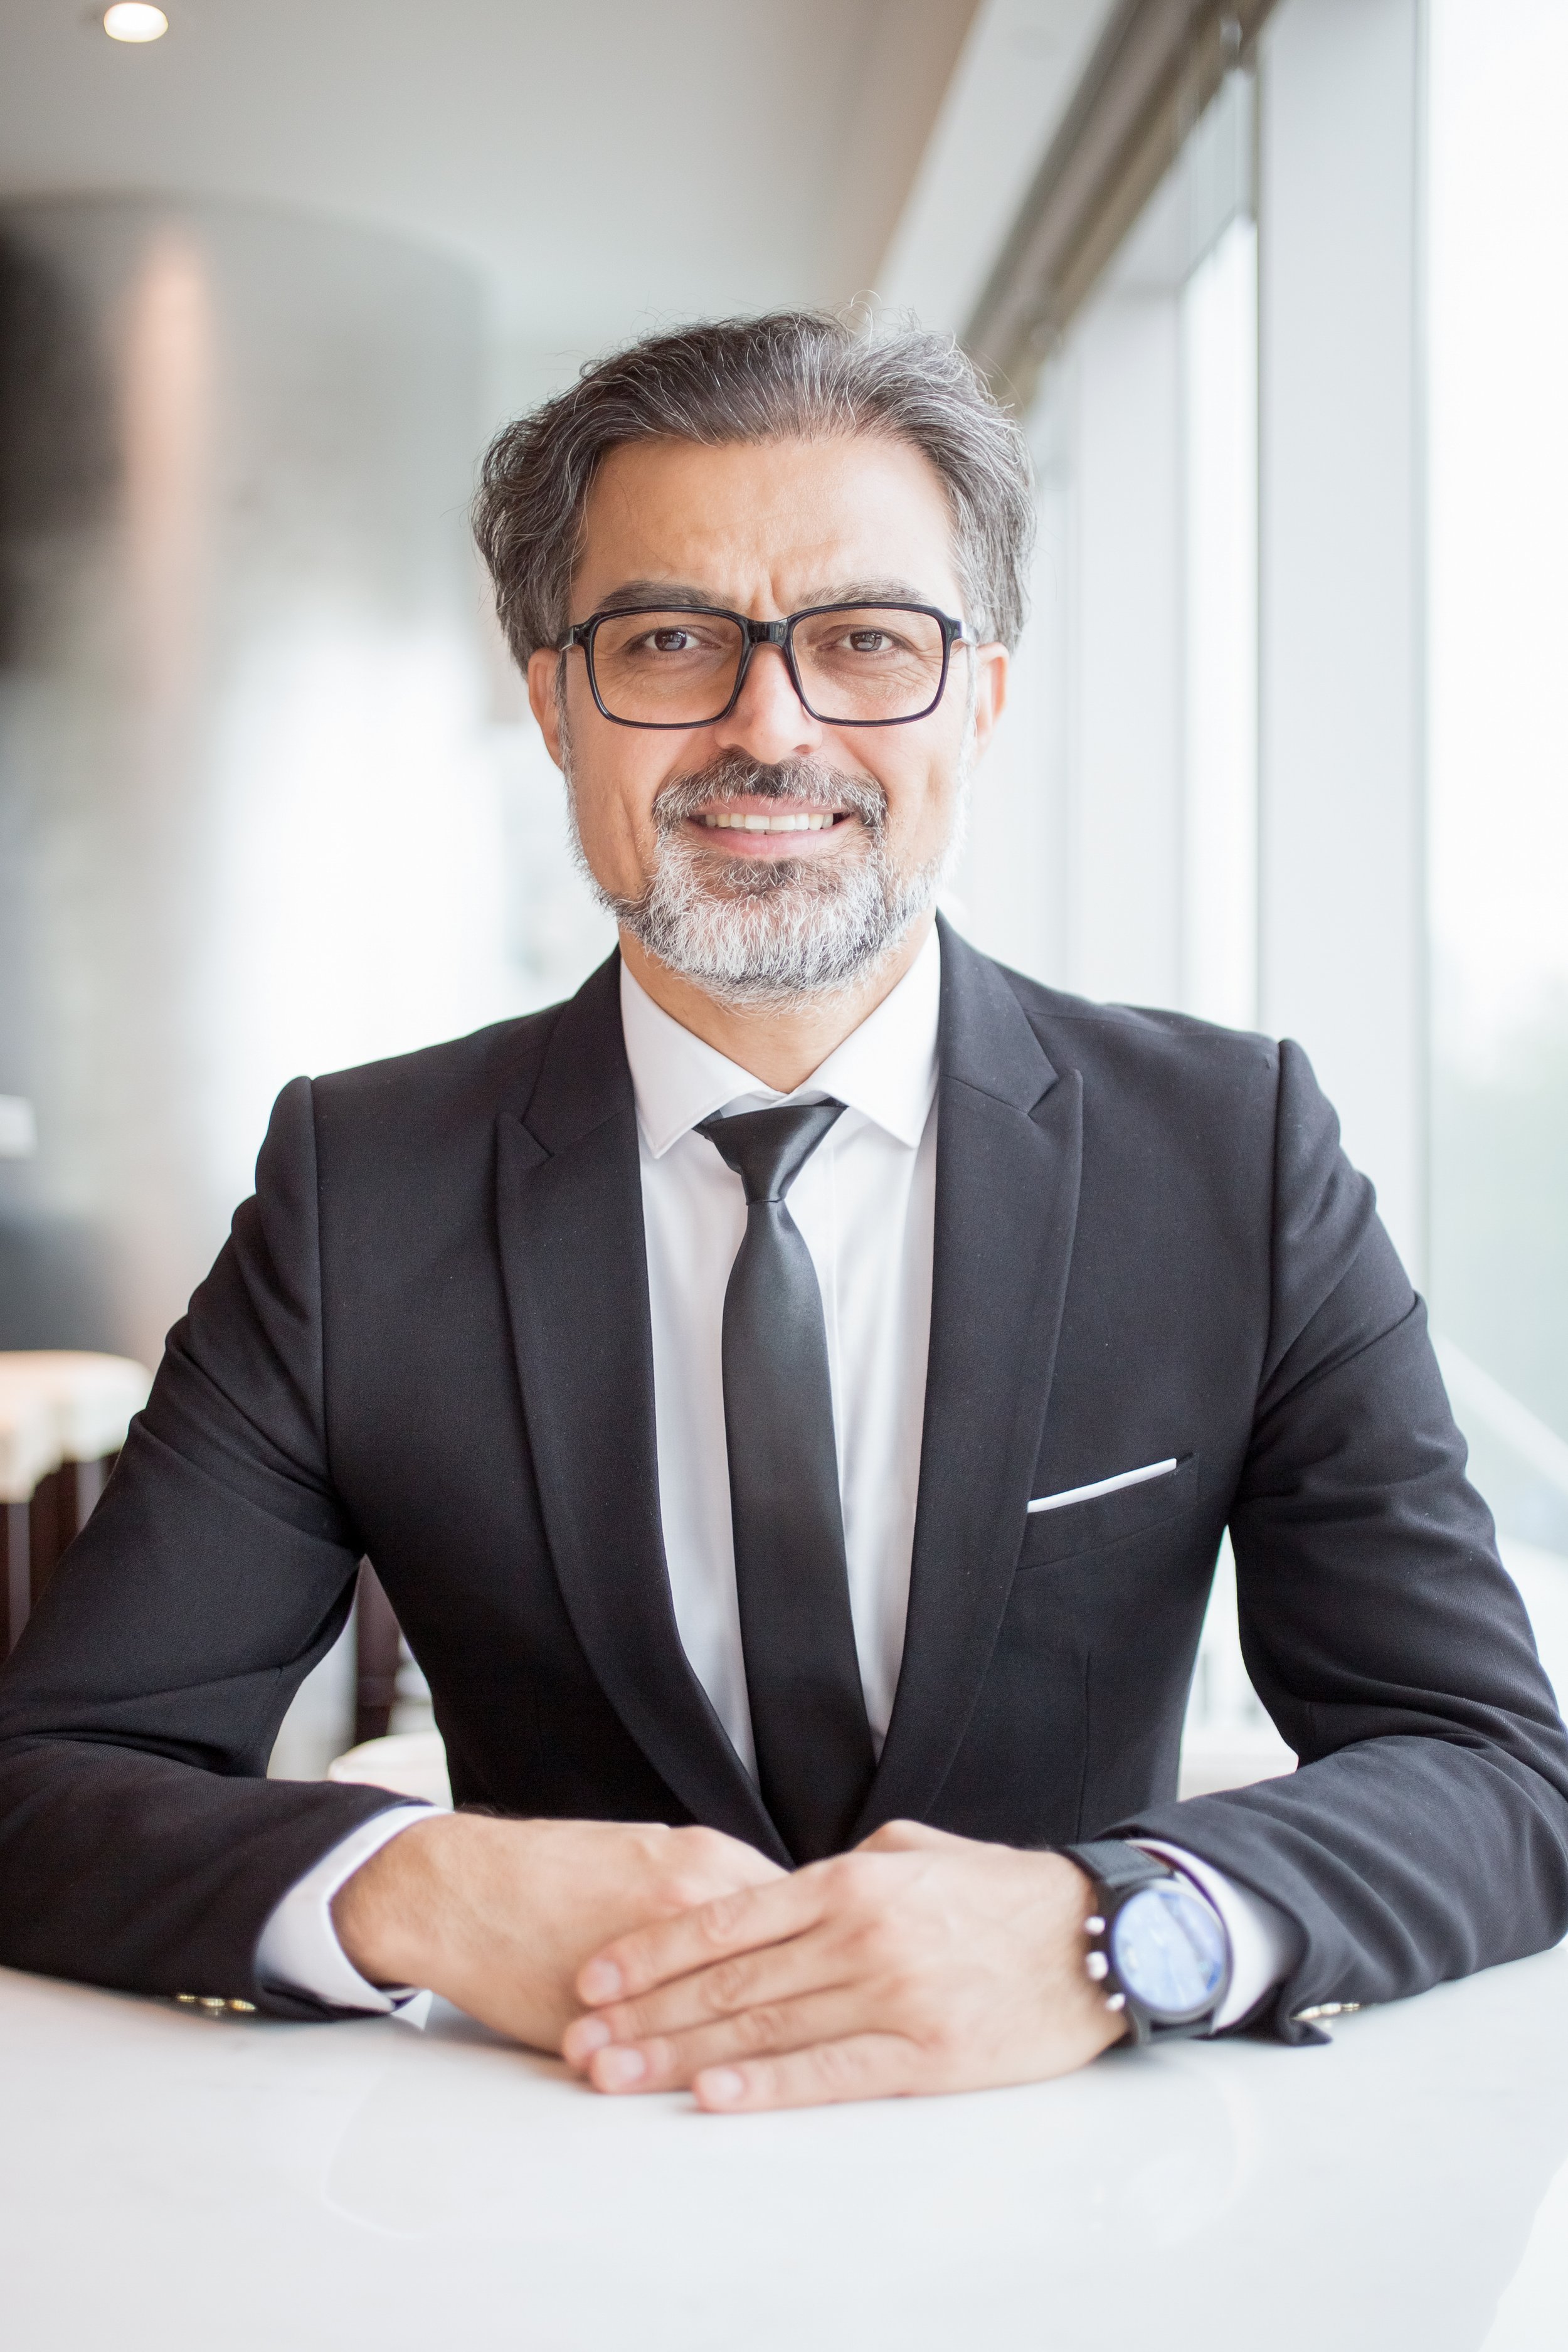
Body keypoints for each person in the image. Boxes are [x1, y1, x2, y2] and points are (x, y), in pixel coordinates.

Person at [1, 313, 1564, 2114]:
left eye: (864, 644)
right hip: (536, 2183)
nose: (771, 726)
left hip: (1096, 2213)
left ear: (976, 696)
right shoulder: (364, 1186)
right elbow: (53, 1777)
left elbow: (1489, 1770)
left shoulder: (1233, 1151)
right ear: (551, 698)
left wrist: (1116, 1929)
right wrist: (419, 1884)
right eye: (669, 641)